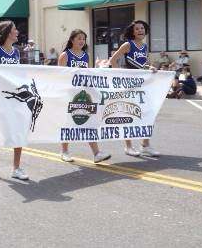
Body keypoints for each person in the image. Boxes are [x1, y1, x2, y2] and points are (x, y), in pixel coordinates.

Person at [0, 20, 28, 180]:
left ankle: (16, 168)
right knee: (8, 130)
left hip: (17, 96)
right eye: (15, 29)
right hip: (3, 97)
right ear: (8, 32)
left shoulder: (16, 52)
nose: (17, 32)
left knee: (19, 130)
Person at [58, 29, 111, 163]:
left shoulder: (85, 55)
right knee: (68, 123)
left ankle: (96, 153)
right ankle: (64, 151)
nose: (82, 41)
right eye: (79, 38)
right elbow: (59, 76)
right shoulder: (65, 55)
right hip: (70, 95)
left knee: (88, 122)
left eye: (83, 39)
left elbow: (87, 75)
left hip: (84, 95)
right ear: (72, 40)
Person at [108, 20, 160, 157]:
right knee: (129, 115)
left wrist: (150, 67)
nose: (140, 31)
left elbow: (143, 64)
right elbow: (113, 61)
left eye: (142, 28)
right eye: (137, 29)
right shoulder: (128, 45)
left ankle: (145, 145)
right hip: (128, 86)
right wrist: (120, 76)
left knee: (149, 113)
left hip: (143, 86)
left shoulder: (144, 46)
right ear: (132, 31)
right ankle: (128, 147)